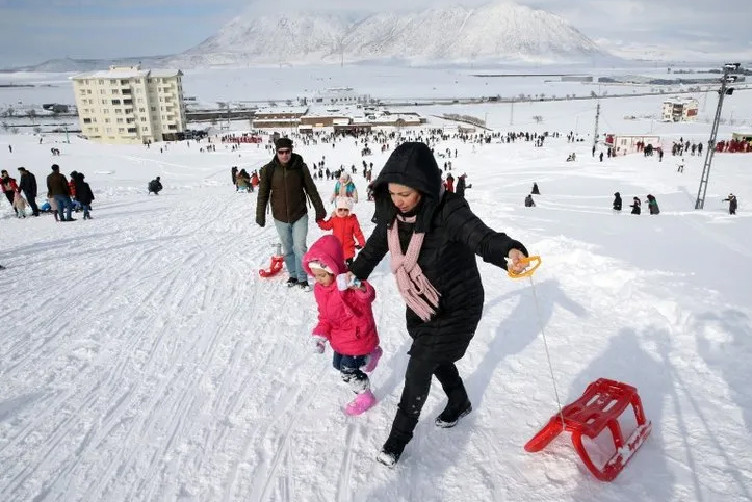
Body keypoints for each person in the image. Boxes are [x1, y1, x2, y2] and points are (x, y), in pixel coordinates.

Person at [348, 142, 529, 467]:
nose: (398, 200)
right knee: (432, 353)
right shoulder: (392, 212)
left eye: (405, 194)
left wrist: (510, 252)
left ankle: (395, 442)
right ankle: (458, 401)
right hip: (422, 299)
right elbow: (376, 246)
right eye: (393, 192)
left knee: (420, 364)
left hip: (458, 304)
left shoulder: (448, 211)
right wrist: (353, 275)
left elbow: (481, 237)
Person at [303, 235, 382, 416]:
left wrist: (356, 285)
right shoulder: (319, 290)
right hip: (340, 337)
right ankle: (370, 357)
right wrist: (320, 336)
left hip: (357, 336)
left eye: (323, 275)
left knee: (347, 372)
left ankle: (365, 396)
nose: (319, 280)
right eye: (316, 276)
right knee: (338, 364)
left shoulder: (346, 284)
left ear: (333, 269)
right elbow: (324, 316)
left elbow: (367, 295)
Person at [256, 137, 327, 290]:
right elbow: (263, 193)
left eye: (287, 151)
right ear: (276, 152)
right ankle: (293, 275)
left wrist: (319, 210)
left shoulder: (300, 166)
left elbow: (311, 190)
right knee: (288, 249)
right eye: (281, 152)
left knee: (300, 246)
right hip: (280, 216)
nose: (284, 155)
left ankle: (302, 278)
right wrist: (260, 214)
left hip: (299, 214)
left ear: (291, 150)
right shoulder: (269, 169)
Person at [317, 196, 366, 268]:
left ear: (349, 210)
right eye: (340, 209)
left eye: (345, 210)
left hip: (348, 247)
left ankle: (350, 274)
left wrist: (362, 243)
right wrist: (320, 221)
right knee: (336, 263)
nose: (343, 212)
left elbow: (357, 232)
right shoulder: (334, 218)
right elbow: (327, 226)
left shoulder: (352, 219)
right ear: (337, 209)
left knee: (349, 265)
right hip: (336, 246)